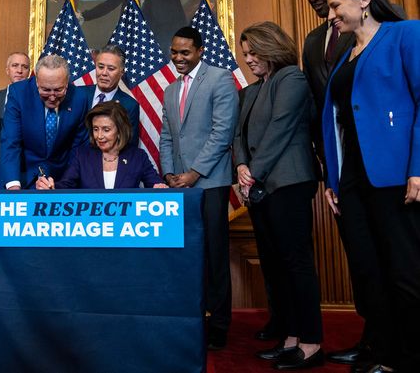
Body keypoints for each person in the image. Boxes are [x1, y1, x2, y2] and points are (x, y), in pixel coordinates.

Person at [323, 0, 420, 373]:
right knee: (368, 270)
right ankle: (384, 355)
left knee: (404, 271)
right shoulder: (345, 55)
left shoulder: (405, 35)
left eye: (334, 5)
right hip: (353, 180)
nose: (329, 15)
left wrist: (418, 168)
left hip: (396, 176)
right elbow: (337, 120)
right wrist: (333, 180)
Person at [234, 21, 323, 370]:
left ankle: (312, 343)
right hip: (259, 187)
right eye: (244, 54)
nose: (249, 59)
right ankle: (289, 338)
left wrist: (252, 171)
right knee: (274, 264)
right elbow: (238, 134)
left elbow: (280, 127)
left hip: (288, 182)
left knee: (295, 263)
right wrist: (241, 166)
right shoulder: (253, 89)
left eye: (253, 52)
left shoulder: (292, 79)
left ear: (271, 46)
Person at [302, 0, 378, 369]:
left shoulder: (381, 30)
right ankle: (372, 339)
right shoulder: (313, 42)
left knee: (390, 257)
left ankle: (391, 342)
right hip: (341, 165)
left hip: (381, 161)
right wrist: (327, 170)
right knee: (361, 256)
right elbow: (319, 110)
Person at [159, 26, 238, 351]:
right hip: (179, 185)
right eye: (174, 52)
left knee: (215, 255)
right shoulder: (168, 90)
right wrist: (168, 173)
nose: (178, 58)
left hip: (210, 183)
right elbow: (166, 136)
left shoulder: (220, 79)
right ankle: (193, 318)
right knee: (188, 254)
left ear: (200, 50)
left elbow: (222, 133)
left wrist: (193, 173)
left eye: (185, 52)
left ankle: (219, 324)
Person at [0, 54, 88, 190]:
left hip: (60, 179)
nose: (52, 97)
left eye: (58, 90)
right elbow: (11, 142)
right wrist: (13, 187)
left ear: (67, 83)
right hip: (22, 176)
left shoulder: (79, 97)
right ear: (37, 82)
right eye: (45, 90)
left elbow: (77, 149)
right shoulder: (19, 93)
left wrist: (62, 184)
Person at [37, 102, 165, 190]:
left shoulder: (137, 157)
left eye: (106, 129)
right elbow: (65, 185)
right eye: (96, 129)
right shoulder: (82, 155)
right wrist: (51, 186)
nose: (99, 135)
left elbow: (155, 184)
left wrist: (159, 187)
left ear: (120, 130)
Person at [83, 44, 139, 146]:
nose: (104, 73)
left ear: (121, 72)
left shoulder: (130, 105)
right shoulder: (79, 94)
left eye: (111, 69)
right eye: (100, 67)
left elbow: (130, 146)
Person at [0, 52, 30, 122]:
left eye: (25, 67)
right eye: (15, 65)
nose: (19, 71)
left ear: (29, 72)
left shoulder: (38, 99)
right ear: (7, 70)